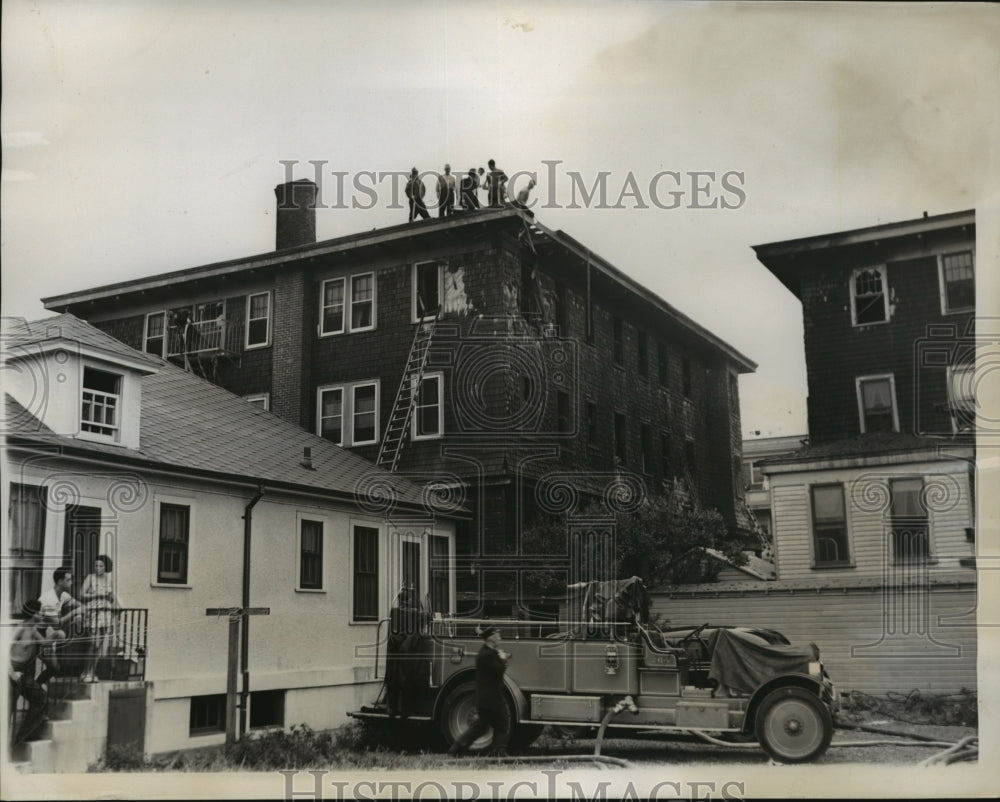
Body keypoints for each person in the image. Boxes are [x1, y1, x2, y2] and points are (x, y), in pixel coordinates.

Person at [448, 625, 510, 757]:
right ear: (491, 638)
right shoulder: (487, 655)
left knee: (480, 727)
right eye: (497, 635)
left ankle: (457, 748)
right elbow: (498, 670)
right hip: (491, 698)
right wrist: (503, 659)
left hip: (487, 698)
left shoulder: (488, 652)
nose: (499, 638)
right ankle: (498, 751)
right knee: (501, 724)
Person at [8, 600, 59, 744]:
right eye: (39, 612)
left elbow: (45, 644)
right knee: (6, 711)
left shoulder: (34, 630)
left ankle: (20, 738)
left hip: (23, 675)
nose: (42, 614)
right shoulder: (20, 628)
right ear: (32, 613)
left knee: (41, 699)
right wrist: (12, 673)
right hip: (11, 673)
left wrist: (56, 635)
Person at [81, 554, 120, 682]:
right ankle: (84, 672)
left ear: (106, 567)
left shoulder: (109, 580)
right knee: (92, 643)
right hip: (93, 612)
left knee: (99, 645)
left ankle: (92, 673)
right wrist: (96, 594)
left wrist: (112, 600)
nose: (97, 568)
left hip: (106, 612)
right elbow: (81, 594)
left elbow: (112, 596)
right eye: (96, 565)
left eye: (101, 566)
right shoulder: (90, 578)